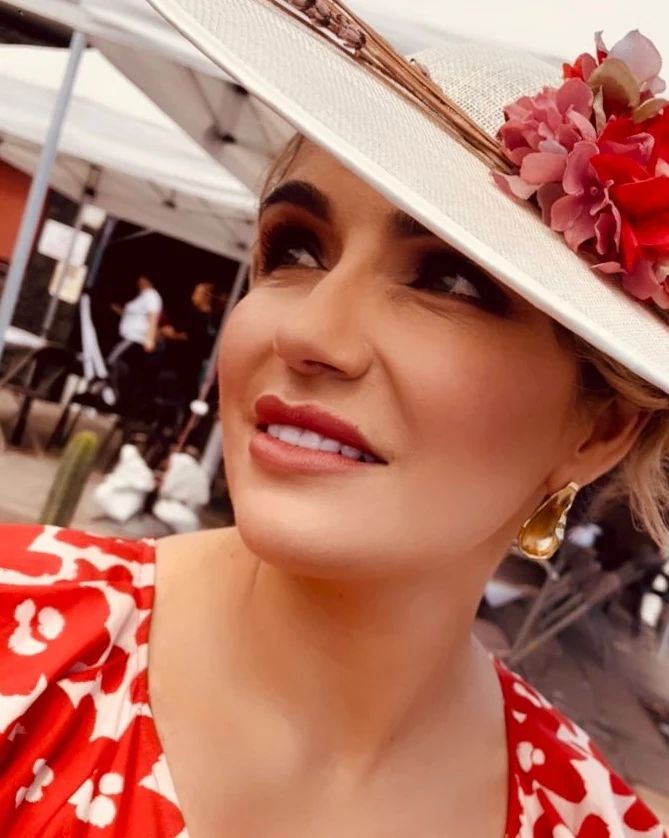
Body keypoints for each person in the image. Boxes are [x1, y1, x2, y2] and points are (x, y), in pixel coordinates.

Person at [1, 4, 668, 836]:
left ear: (598, 430)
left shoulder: (588, 821)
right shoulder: (20, 635)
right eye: (295, 250)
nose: (307, 331)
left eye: (449, 281)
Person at [108, 275, 163, 416]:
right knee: (124, 370)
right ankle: (120, 401)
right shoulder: (142, 297)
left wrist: (149, 339)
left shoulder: (151, 296)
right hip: (129, 337)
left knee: (114, 362)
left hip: (136, 339)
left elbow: (153, 317)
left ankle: (117, 400)